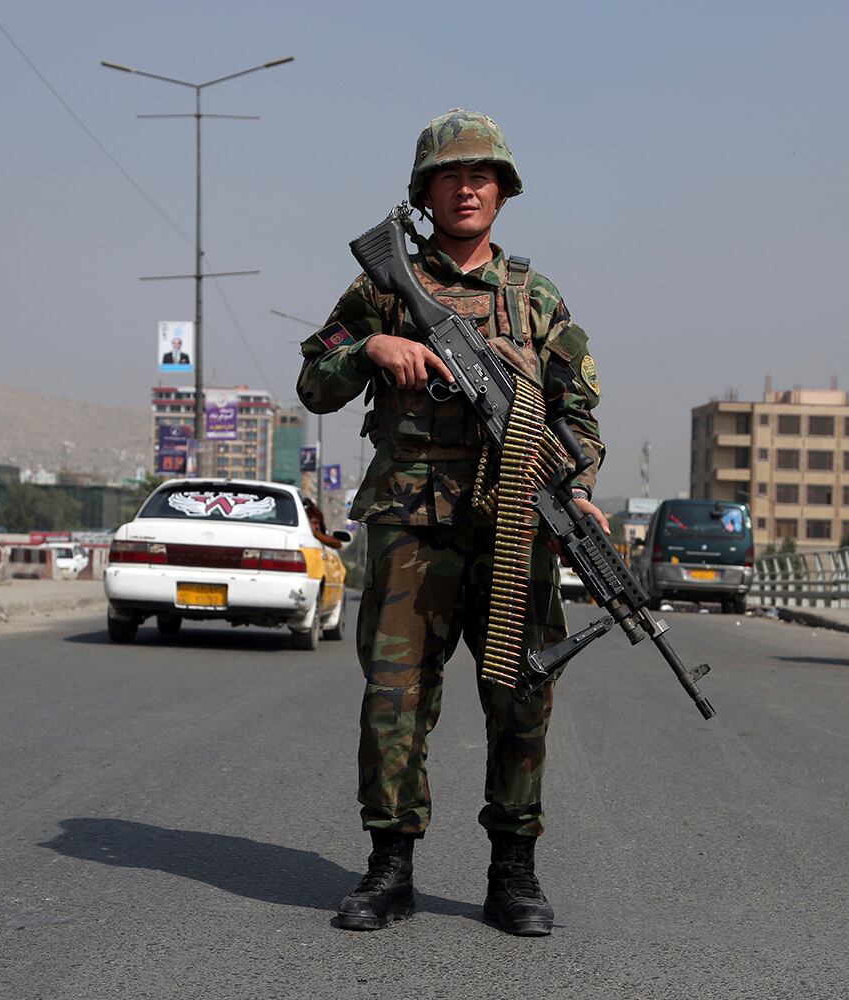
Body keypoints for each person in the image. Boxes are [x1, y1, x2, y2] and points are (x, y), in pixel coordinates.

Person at [297, 108, 607, 937]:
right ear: (424, 192)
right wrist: (369, 352)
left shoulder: (536, 300)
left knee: (519, 697)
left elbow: (579, 417)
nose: (466, 188)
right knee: (395, 698)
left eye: (482, 176)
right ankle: (388, 867)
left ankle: (515, 874)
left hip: (513, 528)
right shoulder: (381, 286)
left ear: (502, 193)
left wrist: (575, 488)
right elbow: (313, 379)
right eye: (450, 175)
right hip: (411, 524)